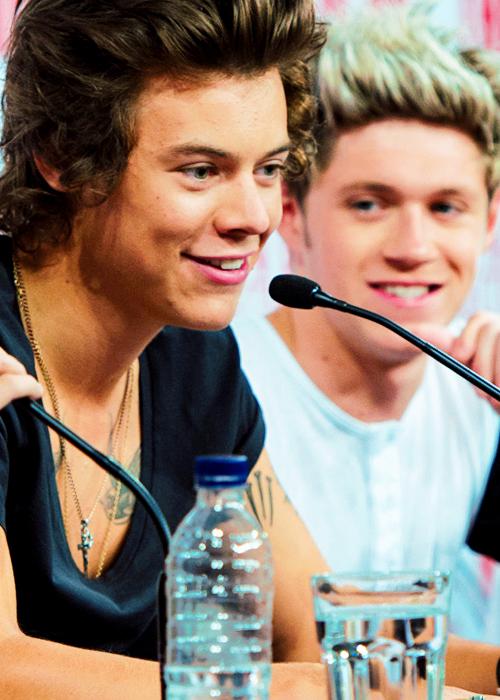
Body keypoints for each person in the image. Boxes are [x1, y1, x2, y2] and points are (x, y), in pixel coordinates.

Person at [0, 1, 332, 697]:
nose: (253, 218)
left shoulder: (197, 362)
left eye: (269, 169)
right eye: (201, 171)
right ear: (61, 157)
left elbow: (318, 635)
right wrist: (289, 691)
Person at [232, 1, 500, 693]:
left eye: (446, 207)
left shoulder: (486, 392)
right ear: (291, 214)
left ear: (489, 221)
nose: (413, 248)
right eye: (369, 204)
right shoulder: (212, 380)